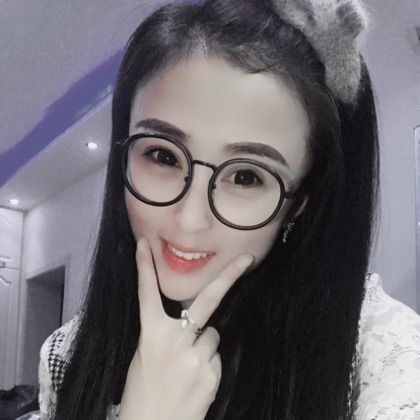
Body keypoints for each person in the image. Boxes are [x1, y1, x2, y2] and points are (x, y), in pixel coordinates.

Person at [38, 0, 420, 419]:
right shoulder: (67, 354)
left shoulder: (385, 358)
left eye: (246, 177)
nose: (189, 219)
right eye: (163, 156)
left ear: (298, 203)